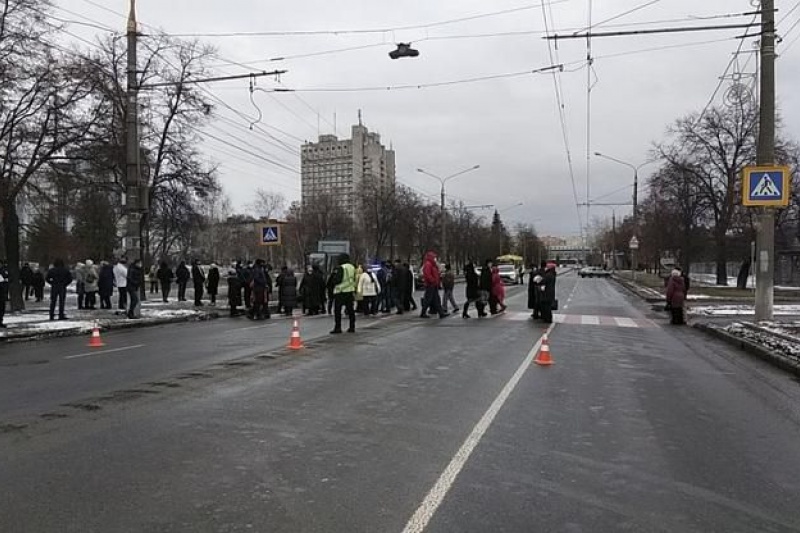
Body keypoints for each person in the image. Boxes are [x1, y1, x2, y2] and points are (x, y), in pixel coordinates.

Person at [330, 253, 357, 334]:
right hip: (350, 291)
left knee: (337, 311)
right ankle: (352, 327)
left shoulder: (341, 267)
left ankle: (338, 327)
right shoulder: (352, 267)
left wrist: (333, 281)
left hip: (340, 291)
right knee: (350, 310)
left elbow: (338, 280)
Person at [0, 260, 8, 328]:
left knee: (2, 308)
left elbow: (7, 278)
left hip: (2, 293)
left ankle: (0, 321)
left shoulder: (3, 271)